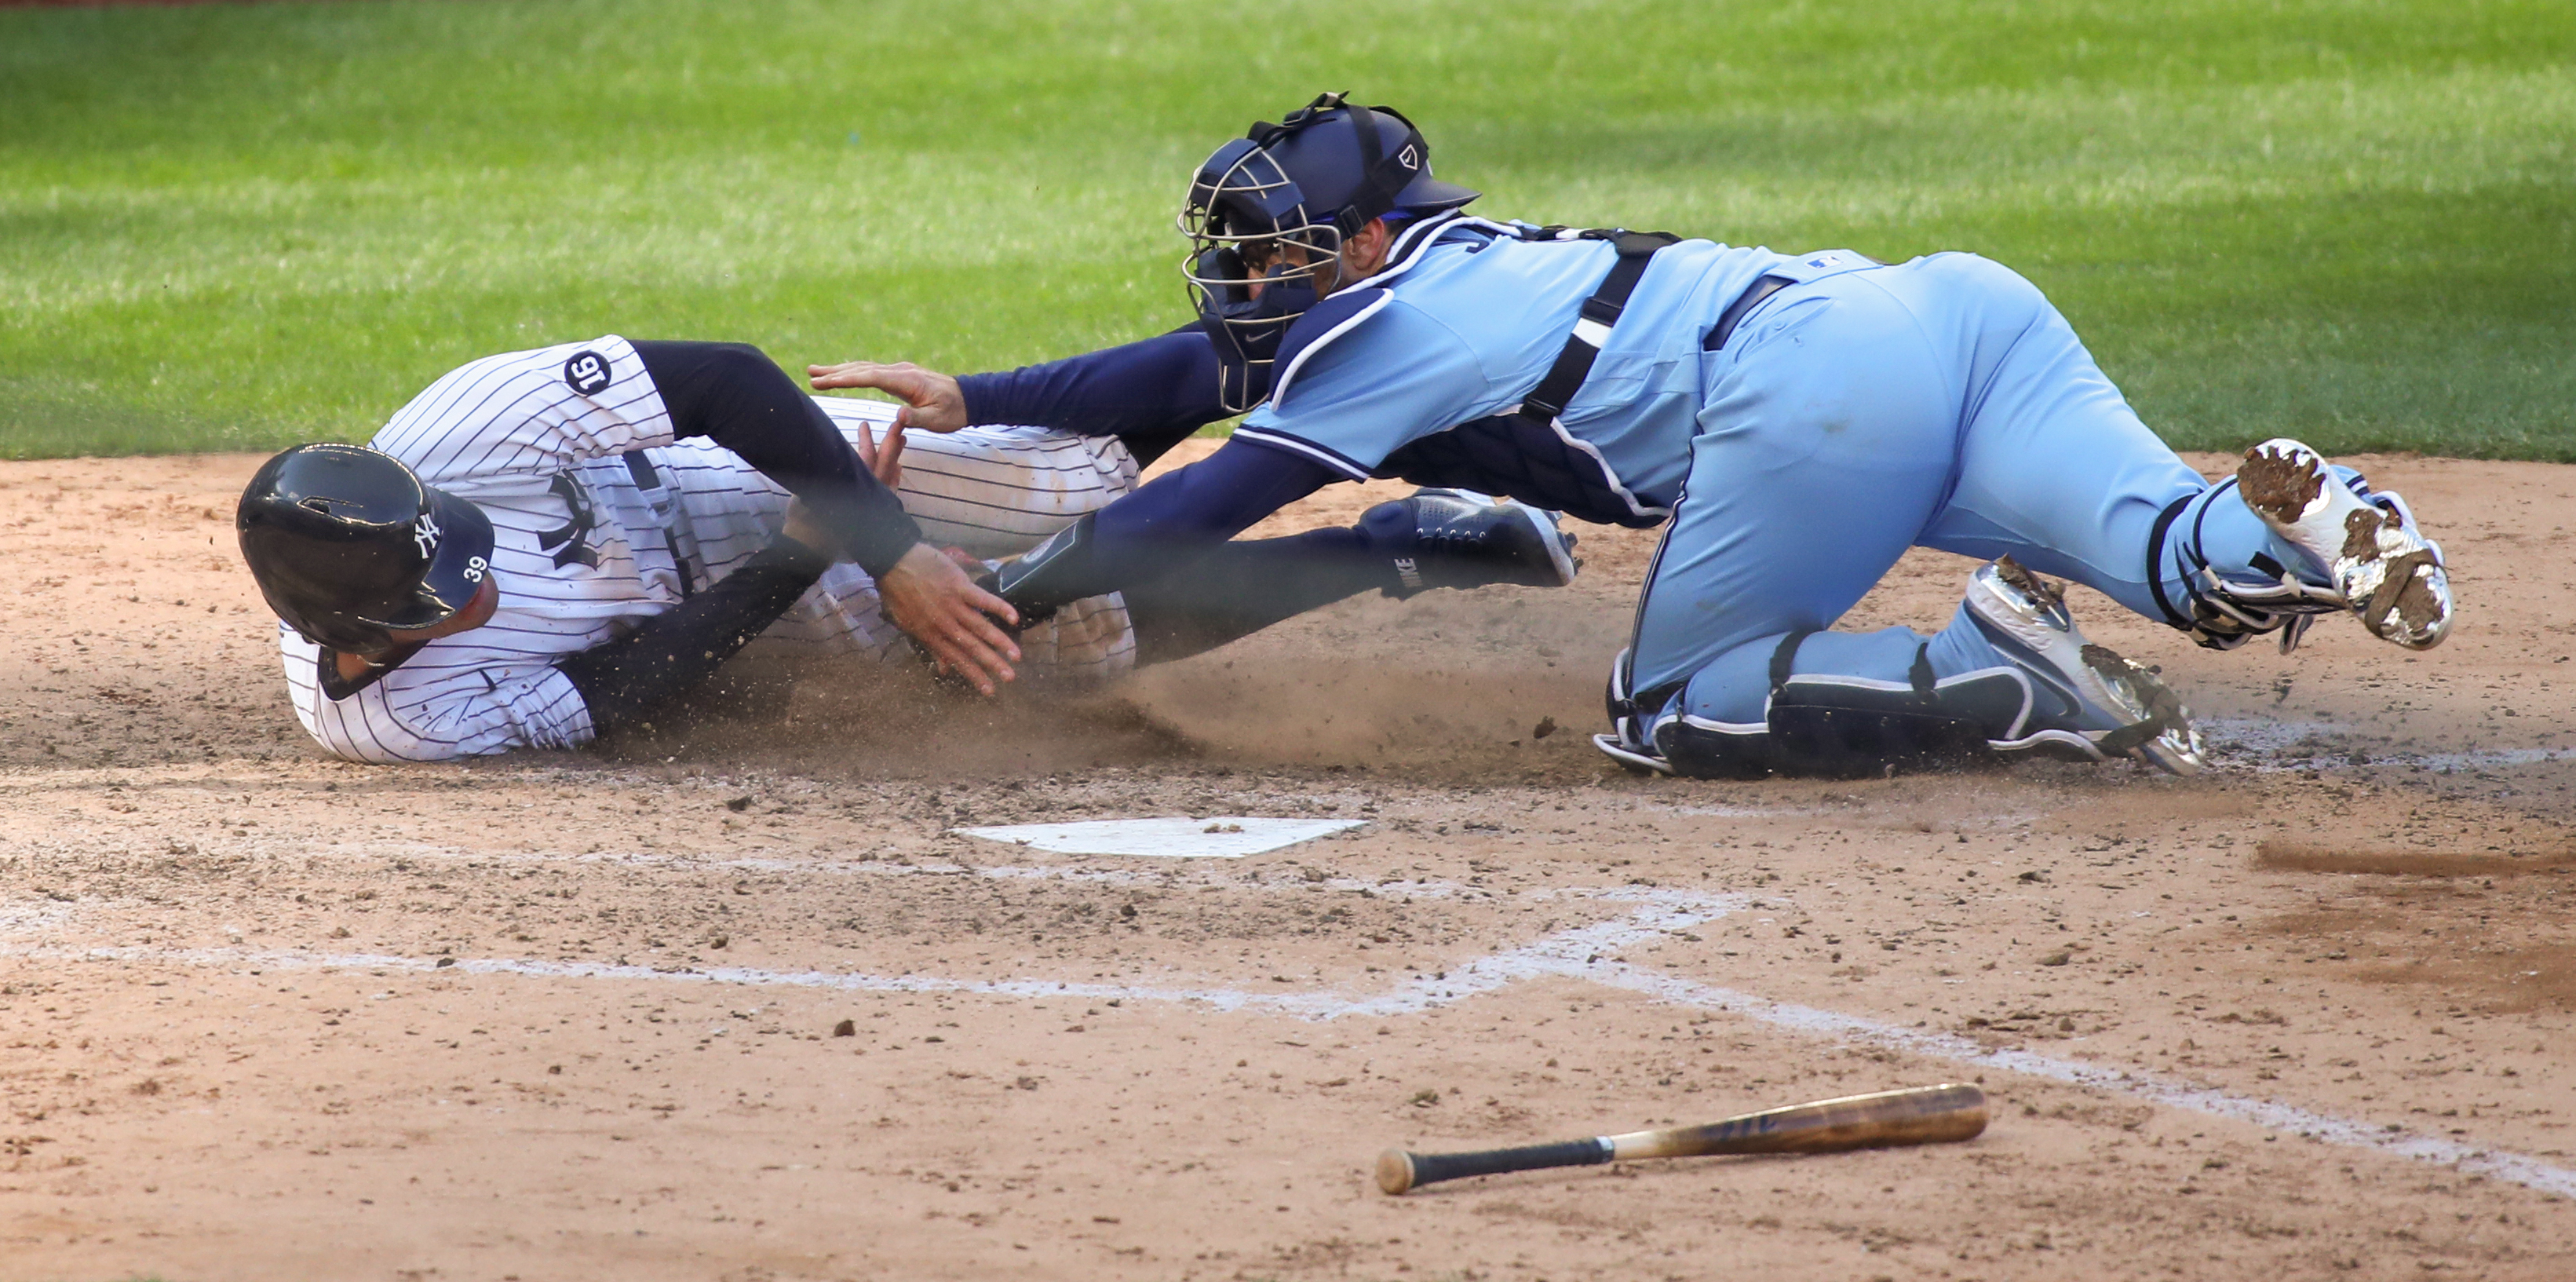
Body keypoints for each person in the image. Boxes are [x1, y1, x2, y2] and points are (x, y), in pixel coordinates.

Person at [815, 93, 2454, 778]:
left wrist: (971, 599)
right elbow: (1193, 374)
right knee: (2180, 561)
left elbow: (1202, 506)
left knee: (1669, 710)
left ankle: (2008, 677)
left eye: (1278, 251)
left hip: (1815, 400)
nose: (1253, 277)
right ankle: (2308, 519)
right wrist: (987, 397)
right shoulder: (1441, 281)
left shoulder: (1388, 330)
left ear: (1363, 245)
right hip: (1950, 315)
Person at [236, 334, 1577, 764]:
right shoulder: (393, 720)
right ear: (360, 634)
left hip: (766, 471)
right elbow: (611, 699)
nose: (473, 592)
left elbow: (719, 380)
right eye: (443, 600)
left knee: (1077, 475)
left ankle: (1319, 345)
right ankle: (1401, 544)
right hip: (749, 601)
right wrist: (795, 570)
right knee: (1059, 648)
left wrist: (873, 543)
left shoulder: (454, 430)